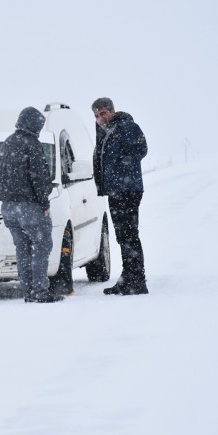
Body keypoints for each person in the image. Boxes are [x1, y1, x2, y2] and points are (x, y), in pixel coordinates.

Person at [0, 107, 63, 303]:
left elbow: (3, 175)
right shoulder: (32, 144)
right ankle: (40, 292)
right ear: (34, 124)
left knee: (22, 249)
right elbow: (38, 176)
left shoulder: (8, 142)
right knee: (41, 246)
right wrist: (44, 200)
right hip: (30, 206)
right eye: (39, 125)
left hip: (9, 207)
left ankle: (27, 292)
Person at [91, 97, 149, 295]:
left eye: (103, 114)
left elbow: (141, 149)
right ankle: (128, 278)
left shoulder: (126, 126)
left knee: (129, 235)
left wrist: (121, 167)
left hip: (127, 189)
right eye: (97, 115)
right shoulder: (105, 131)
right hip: (115, 189)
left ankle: (137, 281)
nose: (100, 118)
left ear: (112, 111)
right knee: (122, 236)